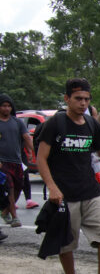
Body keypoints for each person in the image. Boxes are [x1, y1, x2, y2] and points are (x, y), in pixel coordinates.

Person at [36, 78, 100, 274]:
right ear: (67, 99)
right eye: (78, 98)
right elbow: (41, 158)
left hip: (91, 191)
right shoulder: (55, 124)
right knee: (66, 243)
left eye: (86, 99)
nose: (83, 103)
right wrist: (52, 187)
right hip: (64, 194)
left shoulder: (92, 124)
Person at [0, 94, 34, 228]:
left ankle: (5, 211)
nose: (6, 108)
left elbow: (26, 137)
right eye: (3, 105)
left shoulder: (17, 122)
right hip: (2, 162)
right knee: (10, 188)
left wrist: (32, 152)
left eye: (8, 106)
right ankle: (14, 217)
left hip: (17, 161)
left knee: (19, 187)